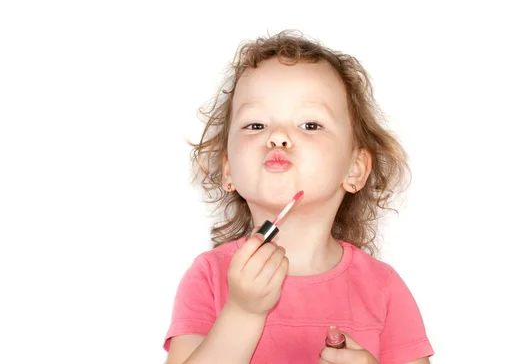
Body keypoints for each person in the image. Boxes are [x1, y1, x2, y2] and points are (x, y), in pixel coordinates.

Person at [163, 30, 435, 364]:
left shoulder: (384, 290)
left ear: (355, 169)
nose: (277, 136)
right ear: (228, 170)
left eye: (309, 125)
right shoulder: (209, 277)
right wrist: (243, 312)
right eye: (255, 125)